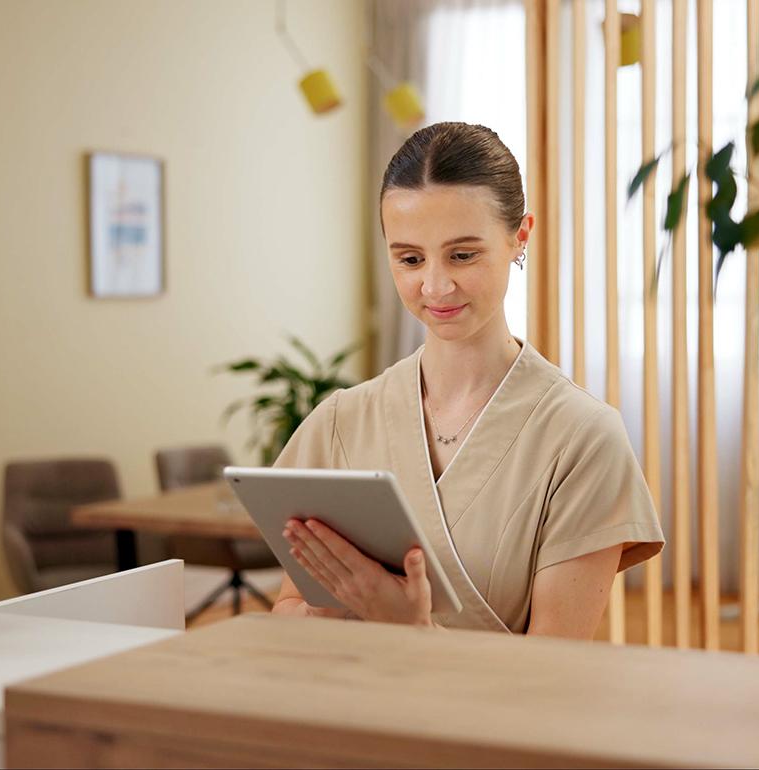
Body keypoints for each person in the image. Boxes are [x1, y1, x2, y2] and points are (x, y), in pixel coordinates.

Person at [271, 122, 663, 638]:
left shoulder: (583, 439)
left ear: (519, 236)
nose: (434, 285)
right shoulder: (340, 424)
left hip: (492, 721)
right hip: (344, 713)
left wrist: (411, 628)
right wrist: (338, 606)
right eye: (410, 259)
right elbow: (287, 615)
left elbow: (553, 676)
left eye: (462, 255)